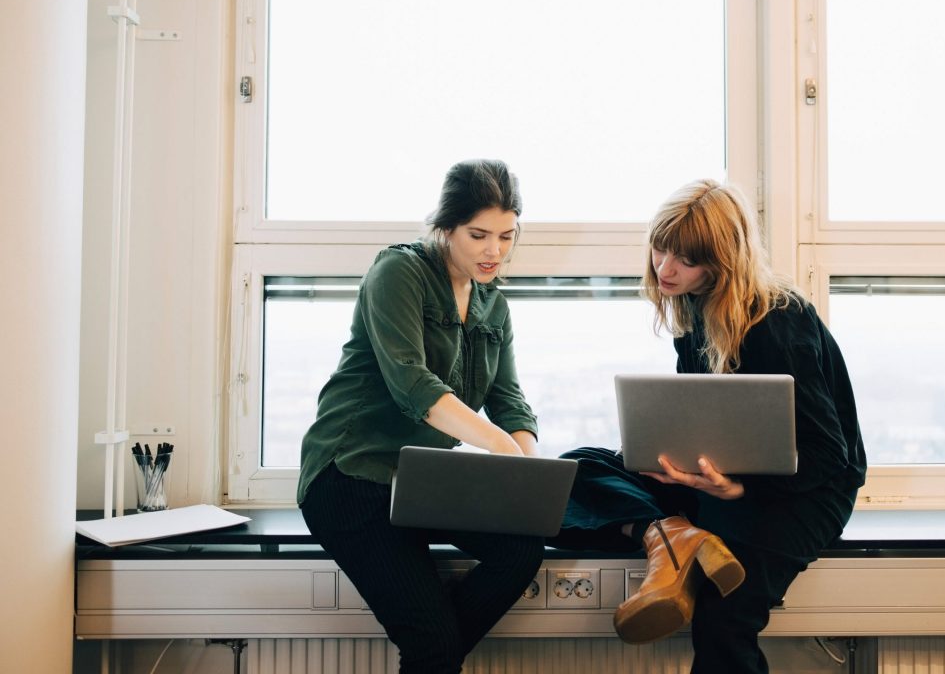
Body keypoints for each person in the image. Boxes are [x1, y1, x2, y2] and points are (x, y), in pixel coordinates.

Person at [551, 179, 867, 674]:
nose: (665, 268)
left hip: (803, 494)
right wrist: (672, 461)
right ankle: (672, 534)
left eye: (685, 260)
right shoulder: (694, 310)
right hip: (718, 480)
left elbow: (831, 457)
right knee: (575, 470)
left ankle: (670, 536)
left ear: (722, 263)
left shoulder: (778, 324)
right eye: (660, 248)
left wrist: (738, 488)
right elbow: (700, 416)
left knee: (723, 617)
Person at [298, 160, 542, 674]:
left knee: (520, 552)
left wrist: (529, 468)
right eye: (478, 235)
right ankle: (433, 642)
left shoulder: (494, 306)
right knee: (433, 644)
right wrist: (500, 448)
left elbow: (510, 399)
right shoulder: (399, 272)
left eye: (506, 235)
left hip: (423, 484)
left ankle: (434, 643)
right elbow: (412, 384)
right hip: (351, 478)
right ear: (446, 226)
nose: (494, 251)